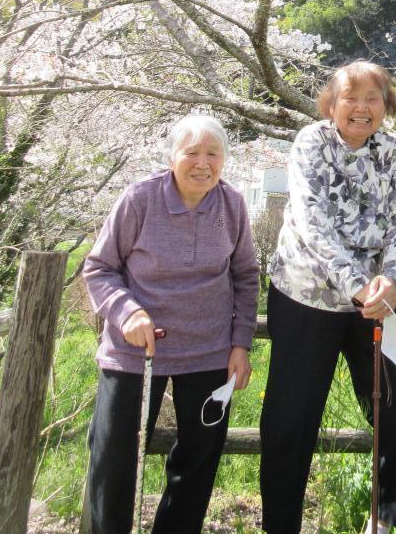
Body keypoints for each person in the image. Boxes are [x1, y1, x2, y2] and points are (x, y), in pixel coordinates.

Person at [260, 61, 396, 534]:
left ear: (386, 107)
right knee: (292, 418)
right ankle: (281, 526)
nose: (361, 107)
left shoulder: (391, 150)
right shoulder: (311, 142)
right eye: (350, 97)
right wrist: (355, 284)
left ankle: (388, 520)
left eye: (373, 98)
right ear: (331, 103)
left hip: (374, 300)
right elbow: (311, 223)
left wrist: (391, 279)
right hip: (307, 294)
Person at [83, 114, 259, 534]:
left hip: (208, 352)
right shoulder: (140, 199)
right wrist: (127, 312)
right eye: (191, 153)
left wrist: (241, 344)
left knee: (199, 458)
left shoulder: (232, 204)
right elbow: (99, 268)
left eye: (213, 154)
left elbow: (246, 277)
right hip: (135, 352)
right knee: (114, 456)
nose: (203, 163)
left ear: (224, 159)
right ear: (171, 157)